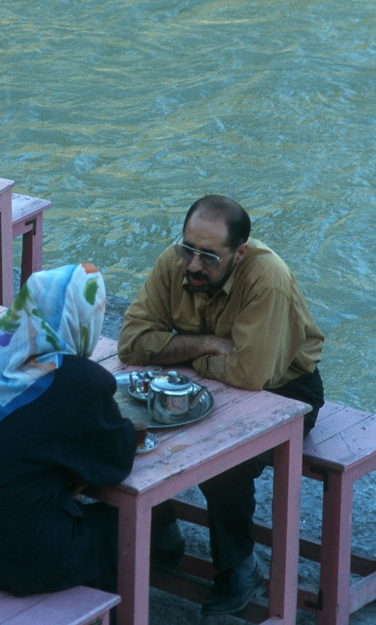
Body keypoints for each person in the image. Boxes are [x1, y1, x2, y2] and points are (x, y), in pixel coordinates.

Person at [117, 195, 325, 617]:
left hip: (284, 391)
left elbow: (251, 375)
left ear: (240, 253)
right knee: (127, 424)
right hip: (206, 375)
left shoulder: (268, 278)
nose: (193, 266)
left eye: (209, 257)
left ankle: (238, 569)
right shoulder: (175, 260)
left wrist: (177, 351)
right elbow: (133, 343)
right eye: (188, 249)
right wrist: (209, 345)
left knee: (224, 458)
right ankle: (161, 532)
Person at [0, 263, 135, 595]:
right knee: (128, 529)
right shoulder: (84, 380)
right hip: (17, 552)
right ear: (85, 319)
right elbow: (116, 461)